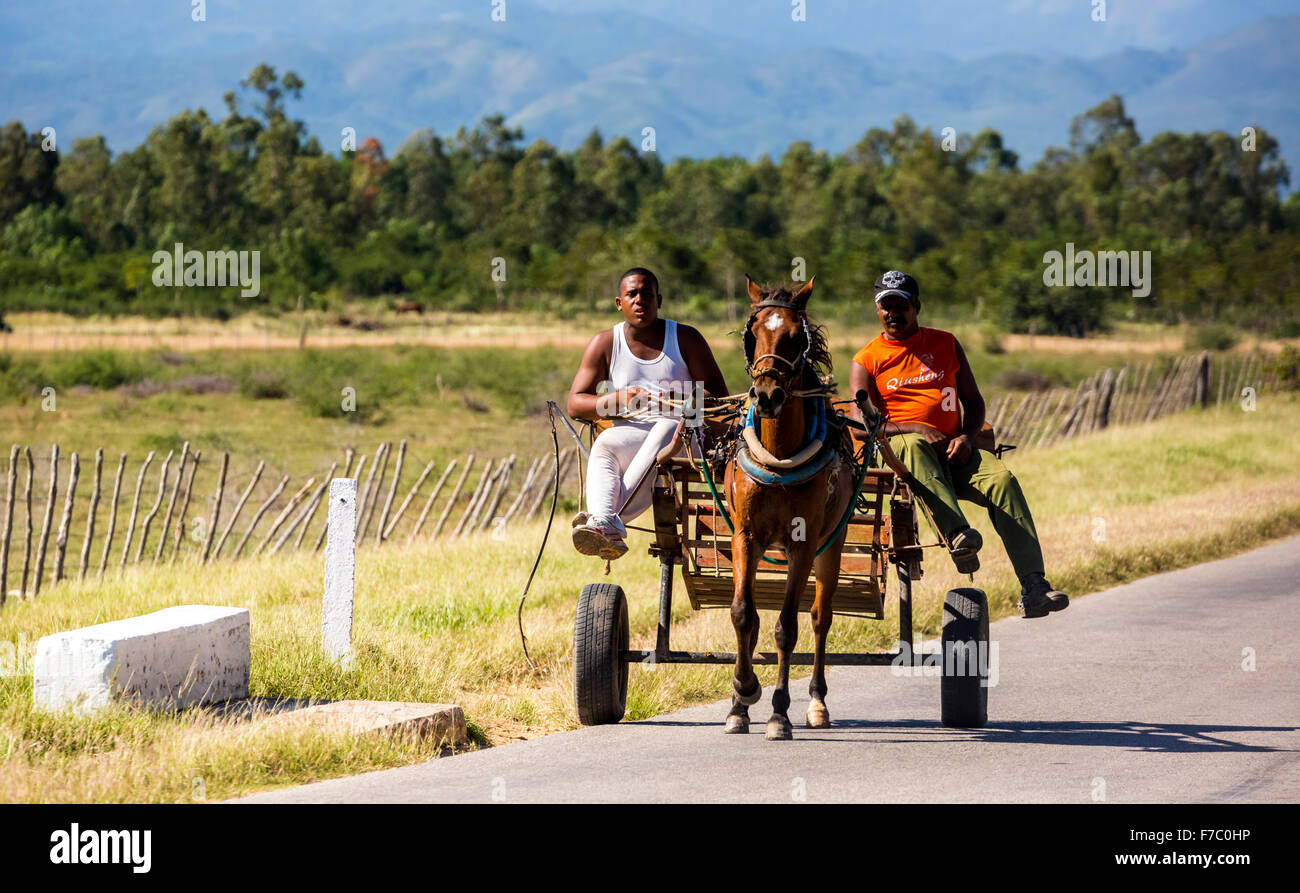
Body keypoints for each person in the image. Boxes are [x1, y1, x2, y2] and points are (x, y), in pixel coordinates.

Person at [848, 270, 1069, 619]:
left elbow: (974, 401)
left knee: (1003, 481)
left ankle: (1034, 586)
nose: (892, 313)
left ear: (916, 306)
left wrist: (966, 437)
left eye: (900, 305)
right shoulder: (866, 359)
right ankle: (958, 535)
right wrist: (918, 428)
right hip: (903, 453)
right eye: (885, 306)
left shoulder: (945, 343)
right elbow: (862, 425)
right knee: (914, 446)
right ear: (877, 311)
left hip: (957, 451)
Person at [566, 268, 729, 560]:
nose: (640, 300)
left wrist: (684, 399)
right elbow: (575, 404)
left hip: (686, 439)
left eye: (647, 294)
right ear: (619, 303)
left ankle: (603, 522)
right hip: (633, 435)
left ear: (659, 300)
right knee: (605, 443)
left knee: (668, 427)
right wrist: (621, 400)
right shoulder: (605, 343)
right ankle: (606, 521)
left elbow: (720, 398)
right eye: (632, 294)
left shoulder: (685, 337)